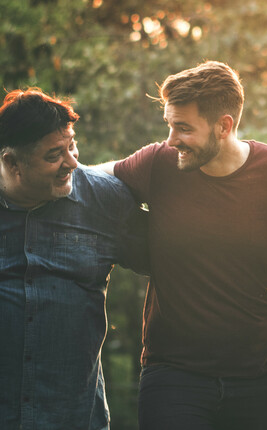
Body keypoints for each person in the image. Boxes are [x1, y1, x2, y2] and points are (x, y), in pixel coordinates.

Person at [98, 61, 267, 429]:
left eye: (184, 128)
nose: (172, 139)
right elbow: (88, 181)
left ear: (224, 126)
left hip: (260, 374)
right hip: (174, 375)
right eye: (170, 125)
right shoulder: (159, 163)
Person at [0, 89, 147, 429]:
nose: (72, 162)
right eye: (54, 155)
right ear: (11, 162)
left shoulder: (104, 201)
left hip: (74, 417)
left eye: (72, 145)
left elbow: (176, 258)